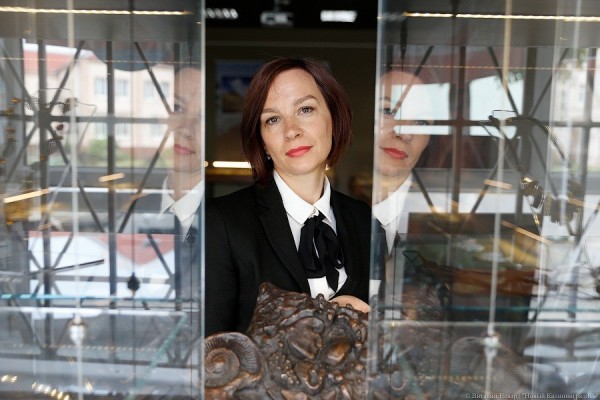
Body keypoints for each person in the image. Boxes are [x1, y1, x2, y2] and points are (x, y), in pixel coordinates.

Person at [205, 57, 371, 335]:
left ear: (333, 118)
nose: (291, 130)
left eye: (305, 109)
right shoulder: (220, 222)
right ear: (263, 142)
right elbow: (212, 349)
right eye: (272, 119)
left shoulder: (364, 219)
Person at [123, 66, 204, 299]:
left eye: (201, 117)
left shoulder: (234, 219)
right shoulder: (138, 211)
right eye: (177, 108)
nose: (185, 128)